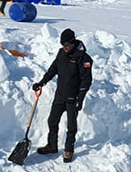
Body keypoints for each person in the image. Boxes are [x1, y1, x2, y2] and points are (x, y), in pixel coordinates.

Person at [32, 28, 94, 163]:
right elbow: (53, 69)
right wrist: (41, 83)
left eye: (66, 45)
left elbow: (86, 80)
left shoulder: (84, 58)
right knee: (52, 121)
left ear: (73, 42)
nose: (64, 48)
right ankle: (52, 146)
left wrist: (80, 99)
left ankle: (68, 150)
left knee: (71, 126)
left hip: (73, 97)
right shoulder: (62, 53)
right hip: (60, 95)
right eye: (62, 45)